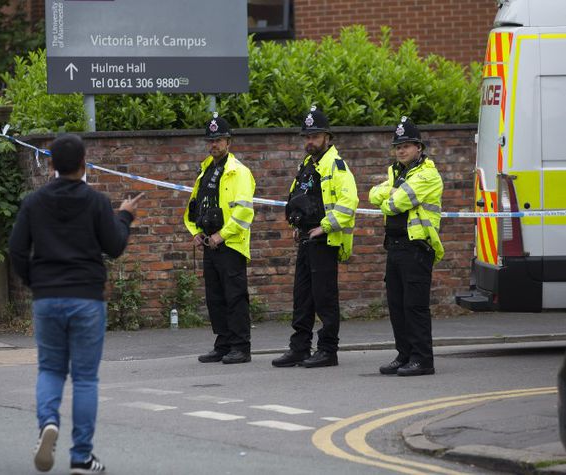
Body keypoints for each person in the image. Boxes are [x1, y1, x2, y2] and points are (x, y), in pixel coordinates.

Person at [9, 134, 142, 474]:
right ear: (84, 165)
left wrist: (34, 282)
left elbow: (17, 250)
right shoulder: (95, 201)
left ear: (50, 164)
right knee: (85, 379)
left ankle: (48, 423)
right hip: (86, 298)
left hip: (47, 297)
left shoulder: (33, 202)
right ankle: (81, 456)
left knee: (51, 370)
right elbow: (113, 246)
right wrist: (125, 216)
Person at [272, 106, 358, 369]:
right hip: (307, 240)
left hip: (325, 241)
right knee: (303, 298)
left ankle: (327, 350)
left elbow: (349, 201)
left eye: (315, 136)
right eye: (307, 137)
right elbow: (299, 200)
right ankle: (299, 348)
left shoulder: (336, 166)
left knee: (325, 299)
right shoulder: (308, 166)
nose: (310, 141)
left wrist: (326, 226)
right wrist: (296, 225)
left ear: (327, 138)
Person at [369, 116, 444, 377]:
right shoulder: (397, 172)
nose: (401, 150)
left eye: (407, 145)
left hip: (417, 247)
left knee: (415, 306)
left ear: (419, 148)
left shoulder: (427, 174)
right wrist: (391, 193)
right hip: (396, 246)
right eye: (398, 146)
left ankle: (423, 359)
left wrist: (390, 195)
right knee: (397, 305)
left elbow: (394, 204)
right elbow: (372, 193)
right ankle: (404, 355)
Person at [184, 113, 256, 365]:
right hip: (209, 244)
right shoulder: (205, 171)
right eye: (211, 141)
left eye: (219, 140)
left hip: (231, 244)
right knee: (214, 297)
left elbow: (244, 211)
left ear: (228, 142)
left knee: (234, 296)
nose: (213, 145)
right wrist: (195, 230)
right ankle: (223, 343)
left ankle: (240, 346)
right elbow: (194, 205)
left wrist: (221, 235)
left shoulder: (239, 172)